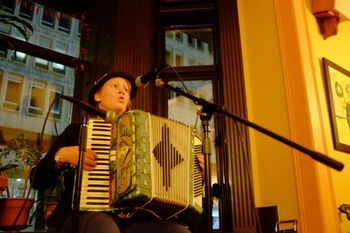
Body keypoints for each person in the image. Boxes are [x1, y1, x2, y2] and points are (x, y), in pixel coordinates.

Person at [30, 70, 204, 233]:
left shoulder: (145, 135)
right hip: (84, 212)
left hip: (135, 217)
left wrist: (197, 174)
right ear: (97, 95)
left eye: (126, 89)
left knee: (179, 231)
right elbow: (37, 180)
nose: (122, 91)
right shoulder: (77, 131)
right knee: (105, 228)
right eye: (115, 86)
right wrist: (60, 156)